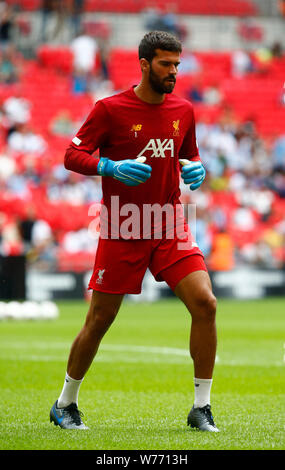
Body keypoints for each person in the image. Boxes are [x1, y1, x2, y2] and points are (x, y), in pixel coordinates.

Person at [49, 31, 219, 432]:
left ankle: (201, 407)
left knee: (206, 304)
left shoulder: (184, 109)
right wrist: (109, 167)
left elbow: (188, 154)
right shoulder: (110, 109)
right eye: (166, 64)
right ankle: (65, 403)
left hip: (169, 222)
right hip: (123, 224)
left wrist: (196, 166)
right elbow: (72, 155)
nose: (174, 71)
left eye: (177, 64)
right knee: (100, 319)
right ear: (144, 64)